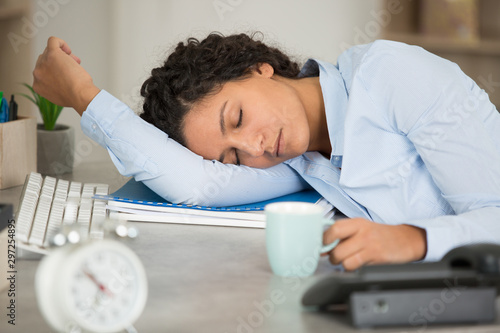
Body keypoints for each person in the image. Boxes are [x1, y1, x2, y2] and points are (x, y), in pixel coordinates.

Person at [33, 33, 500, 271]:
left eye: (235, 119)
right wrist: (84, 96)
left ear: (261, 68)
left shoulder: (391, 76)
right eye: (233, 157)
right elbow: (195, 183)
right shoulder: (301, 159)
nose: (253, 148)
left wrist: (411, 239)